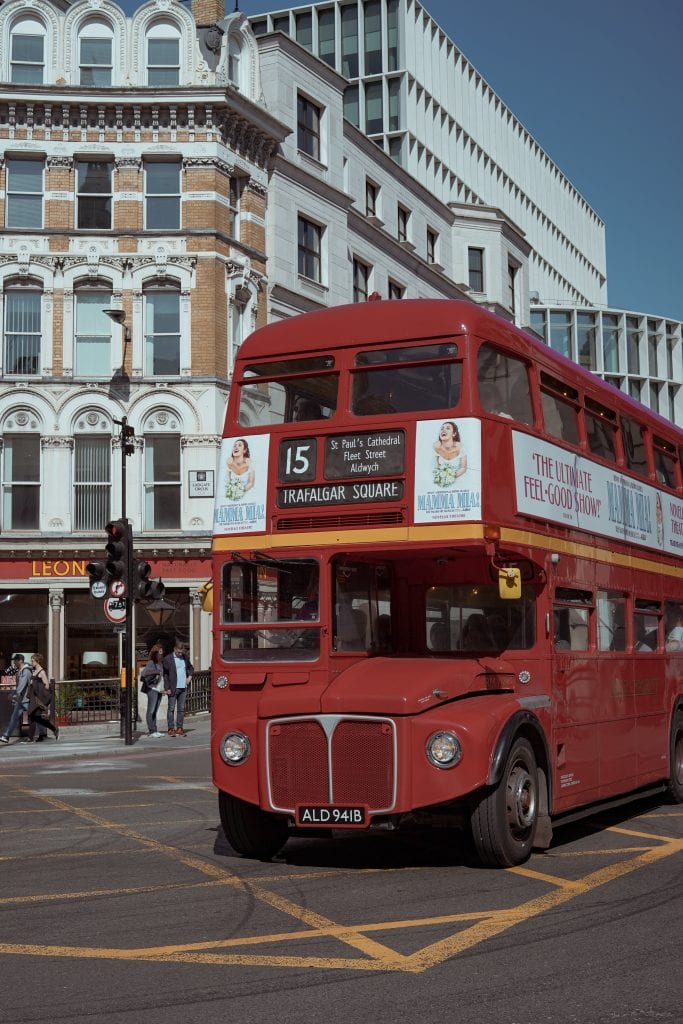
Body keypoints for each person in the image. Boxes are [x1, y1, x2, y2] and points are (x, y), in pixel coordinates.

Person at [163, 642, 193, 736]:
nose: (180, 654)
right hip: (172, 687)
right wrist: (167, 688)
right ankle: (171, 729)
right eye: (179, 652)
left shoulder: (184, 657)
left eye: (181, 652)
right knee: (171, 709)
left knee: (181, 709)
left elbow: (190, 667)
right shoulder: (168, 659)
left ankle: (179, 728)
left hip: (183, 687)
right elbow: (165, 674)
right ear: (175, 649)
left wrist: (190, 677)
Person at [0, 653, 32, 744]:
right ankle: (6, 736)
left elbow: (21, 686)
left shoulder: (25, 671)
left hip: (27, 700)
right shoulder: (19, 671)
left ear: (20, 661)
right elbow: (18, 686)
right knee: (14, 718)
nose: (14, 662)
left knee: (36, 718)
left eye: (15, 660)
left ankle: (49, 730)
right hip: (21, 700)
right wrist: (14, 694)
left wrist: (14, 695)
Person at [27, 653, 59, 741]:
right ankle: (48, 732)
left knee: (33, 717)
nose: (31, 662)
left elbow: (47, 686)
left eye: (32, 660)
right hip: (34, 698)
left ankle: (31, 738)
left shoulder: (42, 672)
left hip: (38, 699)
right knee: (35, 717)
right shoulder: (35, 671)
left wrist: (38, 690)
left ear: (37, 661)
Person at [140, 644, 166, 737]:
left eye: (162, 652)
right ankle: (151, 731)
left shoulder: (161, 663)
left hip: (159, 690)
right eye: (160, 652)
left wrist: (163, 689)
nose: (161, 654)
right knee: (151, 710)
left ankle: (155, 730)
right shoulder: (151, 662)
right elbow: (144, 673)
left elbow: (162, 678)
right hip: (152, 689)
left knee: (155, 710)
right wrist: (156, 672)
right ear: (155, 653)